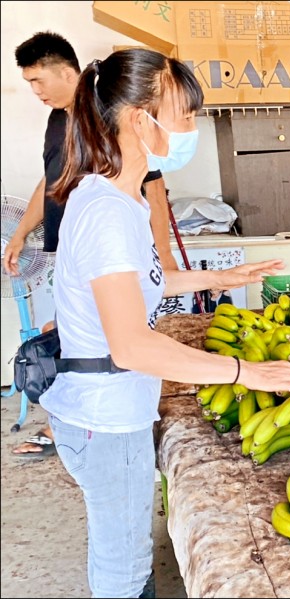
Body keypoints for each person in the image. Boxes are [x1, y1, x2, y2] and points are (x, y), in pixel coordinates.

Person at [41, 47, 290, 598]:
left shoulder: (114, 199)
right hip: (107, 418)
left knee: (122, 553)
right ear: (137, 120)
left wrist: (211, 280)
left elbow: (132, 282)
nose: (191, 129)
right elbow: (130, 345)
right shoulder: (105, 213)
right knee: (124, 572)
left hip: (105, 408)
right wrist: (247, 372)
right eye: (185, 115)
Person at [4, 32, 177, 458]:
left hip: (111, 254)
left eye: (38, 80)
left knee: (112, 346)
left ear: (68, 72)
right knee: (70, 338)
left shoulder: (106, 116)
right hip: (74, 255)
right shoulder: (59, 120)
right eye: (28, 83)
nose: (36, 91)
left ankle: (102, 431)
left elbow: (152, 188)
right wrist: (22, 231)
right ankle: (69, 421)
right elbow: (52, 179)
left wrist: (164, 254)